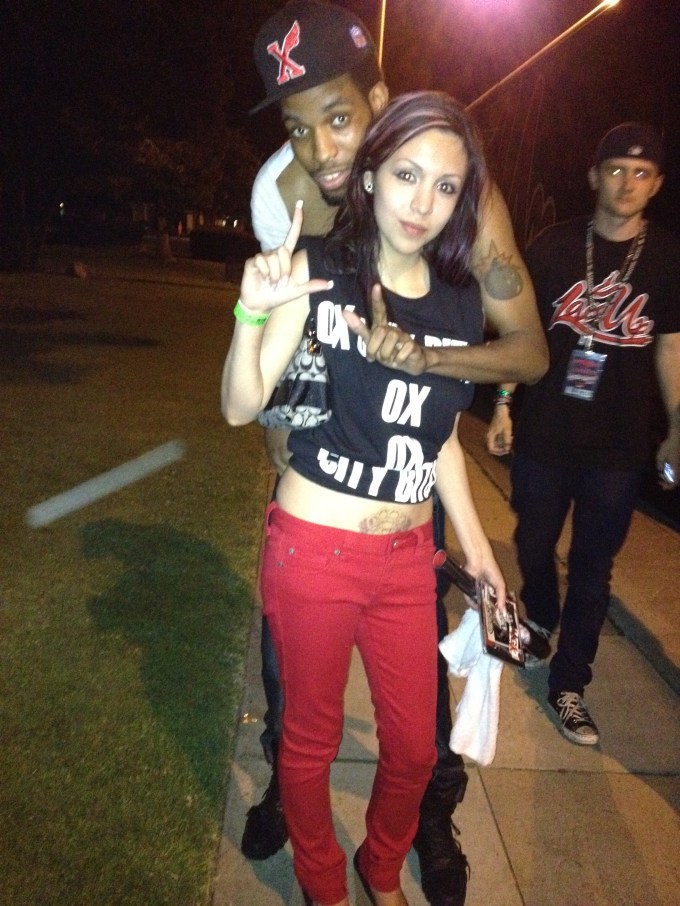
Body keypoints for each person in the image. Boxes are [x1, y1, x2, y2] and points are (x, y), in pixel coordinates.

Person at [241, 4, 548, 905]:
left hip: (410, 507)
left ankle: (426, 825)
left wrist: (429, 362)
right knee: (297, 705)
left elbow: (527, 351)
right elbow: (270, 365)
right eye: (299, 127)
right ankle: (296, 814)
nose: (323, 151)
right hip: (316, 512)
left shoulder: (458, 203)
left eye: (339, 118)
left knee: (417, 735)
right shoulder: (284, 198)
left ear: (378, 101)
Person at [486, 122, 680, 746]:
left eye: (642, 173)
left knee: (594, 570)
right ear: (595, 176)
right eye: (616, 169)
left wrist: (676, 427)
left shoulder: (667, 258)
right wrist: (504, 405)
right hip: (545, 432)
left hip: (618, 447)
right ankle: (542, 616)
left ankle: (569, 683)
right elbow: (520, 334)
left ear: (657, 185)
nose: (627, 182)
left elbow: (670, 348)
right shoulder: (555, 246)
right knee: (533, 542)